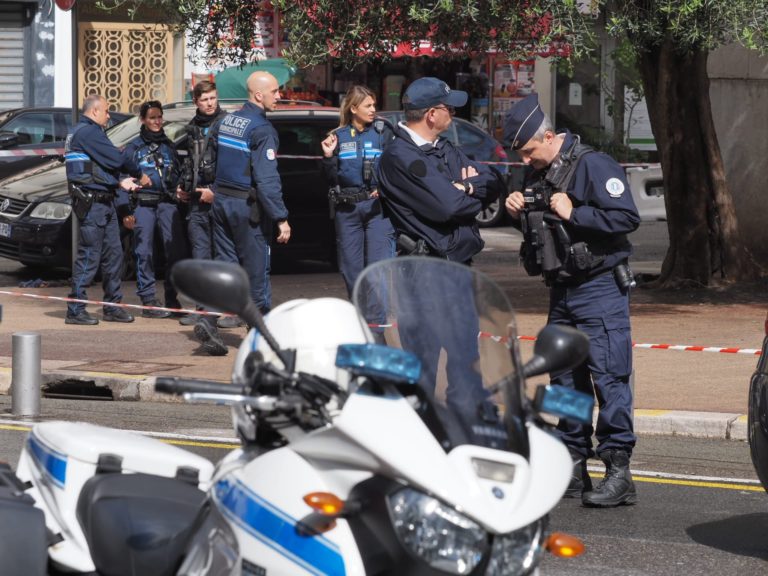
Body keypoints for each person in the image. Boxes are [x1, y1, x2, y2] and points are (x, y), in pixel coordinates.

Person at [503, 93, 641, 508]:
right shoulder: (539, 173)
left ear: (548, 136)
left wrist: (574, 212)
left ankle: (619, 472)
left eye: (529, 151)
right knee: (564, 381)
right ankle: (573, 465)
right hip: (561, 291)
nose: (527, 161)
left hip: (598, 288)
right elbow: (541, 234)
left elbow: (625, 218)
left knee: (608, 377)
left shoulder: (593, 165)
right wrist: (517, 211)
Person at [375, 76, 505, 411]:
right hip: (424, 271)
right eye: (449, 108)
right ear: (432, 114)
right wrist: (461, 191)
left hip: (456, 268)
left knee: (465, 356)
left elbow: (493, 178)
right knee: (424, 361)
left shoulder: (443, 149)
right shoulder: (401, 157)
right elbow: (448, 207)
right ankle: (419, 437)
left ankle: (462, 429)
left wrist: (468, 188)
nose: (453, 114)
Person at [210, 71, 291, 329]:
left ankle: (230, 314)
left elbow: (209, 161)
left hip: (221, 201)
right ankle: (259, 328)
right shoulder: (262, 129)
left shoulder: (226, 121)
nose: (280, 96)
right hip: (246, 206)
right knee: (256, 269)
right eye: (275, 91)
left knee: (228, 264)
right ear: (259, 95)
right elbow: (267, 179)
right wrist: (281, 218)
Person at [64, 94, 150, 325]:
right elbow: (114, 159)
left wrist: (117, 182)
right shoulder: (87, 132)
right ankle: (75, 309)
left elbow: (98, 167)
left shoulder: (84, 132)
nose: (109, 115)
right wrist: (139, 174)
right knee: (90, 256)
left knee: (114, 256)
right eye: (106, 111)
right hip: (93, 205)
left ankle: (112, 306)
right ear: (94, 111)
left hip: (104, 202)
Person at [320, 85, 396, 298]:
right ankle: (359, 316)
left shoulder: (385, 132)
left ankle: (376, 327)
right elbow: (330, 178)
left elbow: (397, 168)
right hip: (347, 210)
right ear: (353, 109)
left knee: (377, 270)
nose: (373, 109)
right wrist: (328, 157)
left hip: (377, 210)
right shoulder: (339, 136)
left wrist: (384, 187)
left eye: (374, 105)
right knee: (350, 269)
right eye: (368, 105)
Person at [117, 100, 187, 320]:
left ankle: (171, 298)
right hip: (143, 204)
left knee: (175, 252)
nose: (157, 121)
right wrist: (125, 212)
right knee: (144, 252)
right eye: (152, 117)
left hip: (167, 204)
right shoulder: (133, 148)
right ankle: (148, 300)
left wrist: (180, 188)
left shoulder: (169, 145)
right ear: (143, 120)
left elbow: (179, 175)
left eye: (159, 117)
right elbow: (120, 180)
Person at [176, 80, 228, 355]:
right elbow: (188, 163)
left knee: (221, 263)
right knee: (200, 262)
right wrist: (182, 188)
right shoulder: (192, 128)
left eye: (213, 98)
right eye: (204, 99)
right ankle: (204, 316)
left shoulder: (227, 125)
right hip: (196, 204)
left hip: (219, 204)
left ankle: (214, 318)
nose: (210, 103)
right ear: (196, 101)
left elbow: (234, 168)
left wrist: (215, 192)